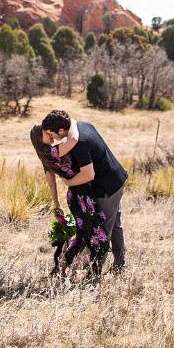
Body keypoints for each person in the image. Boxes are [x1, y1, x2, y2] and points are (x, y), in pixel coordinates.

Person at [41, 109, 127, 271]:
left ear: (61, 130)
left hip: (107, 188)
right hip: (117, 178)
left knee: (102, 232)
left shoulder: (79, 144)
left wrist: (69, 181)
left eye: (52, 135)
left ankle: (94, 275)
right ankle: (120, 265)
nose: (52, 139)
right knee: (115, 224)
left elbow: (88, 175)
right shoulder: (82, 125)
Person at [30, 123, 109, 274]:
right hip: (82, 198)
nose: (49, 132)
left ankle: (61, 268)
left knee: (83, 236)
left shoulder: (44, 156)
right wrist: (72, 121)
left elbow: (52, 184)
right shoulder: (53, 152)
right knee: (95, 237)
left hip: (76, 196)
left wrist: (57, 205)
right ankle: (91, 273)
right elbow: (73, 140)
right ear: (39, 137)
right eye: (45, 132)